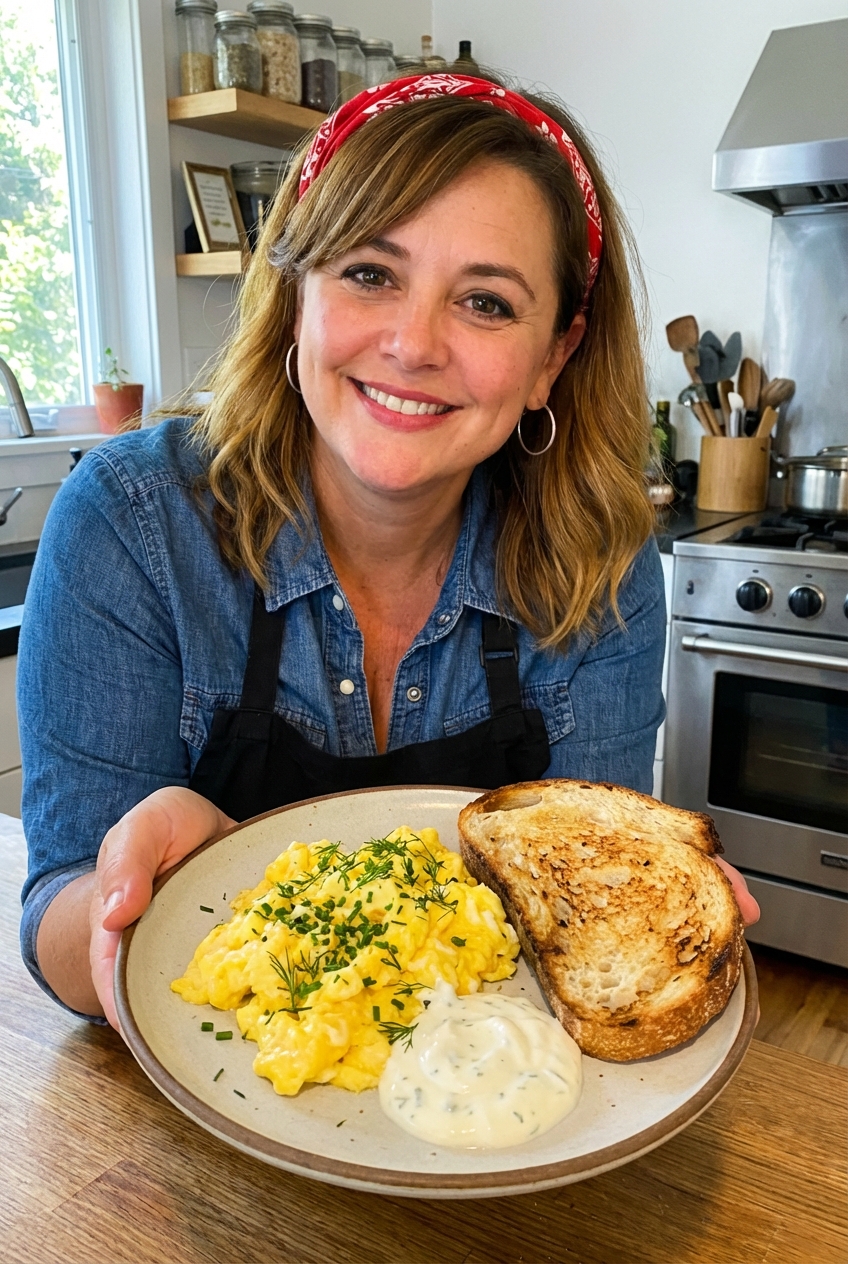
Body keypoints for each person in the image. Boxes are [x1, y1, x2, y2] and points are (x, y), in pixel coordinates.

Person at [18, 74, 758, 1030]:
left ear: (552, 357)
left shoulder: (601, 566)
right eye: (371, 273)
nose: (413, 345)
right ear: (296, 296)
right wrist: (138, 903)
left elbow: (581, 929)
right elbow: (60, 928)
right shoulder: (132, 522)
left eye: (486, 302)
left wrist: (645, 927)